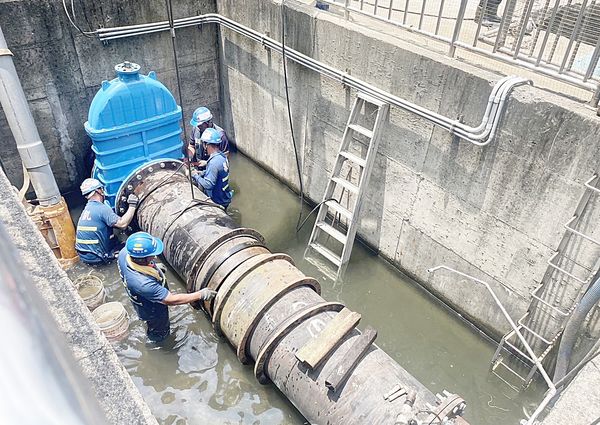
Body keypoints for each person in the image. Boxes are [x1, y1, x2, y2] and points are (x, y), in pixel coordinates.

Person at [117, 232, 216, 342]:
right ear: (142, 259)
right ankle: (157, 346)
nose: (155, 257)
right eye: (152, 255)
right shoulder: (144, 284)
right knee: (160, 332)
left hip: (142, 297)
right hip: (153, 310)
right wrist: (200, 294)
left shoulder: (125, 253)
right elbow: (171, 300)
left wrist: (154, 268)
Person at [75, 178, 138, 265]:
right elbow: (123, 224)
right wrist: (132, 205)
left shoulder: (88, 209)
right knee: (133, 246)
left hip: (84, 255)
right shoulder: (101, 209)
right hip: (97, 257)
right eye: (101, 189)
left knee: (115, 238)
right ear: (98, 191)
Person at [191, 128, 234, 209]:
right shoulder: (222, 156)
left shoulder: (213, 163)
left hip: (218, 201)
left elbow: (208, 185)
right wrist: (202, 173)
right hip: (225, 196)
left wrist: (195, 176)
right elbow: (218, 172)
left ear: (206, 145)